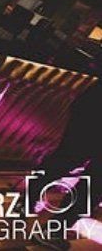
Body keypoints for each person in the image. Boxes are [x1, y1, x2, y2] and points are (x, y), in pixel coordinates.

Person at [25, 79, 102, 250]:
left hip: (92, 105)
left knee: (65, 160)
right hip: (94, 109)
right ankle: (52, 230)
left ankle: (24, 204)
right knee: (95, 184)